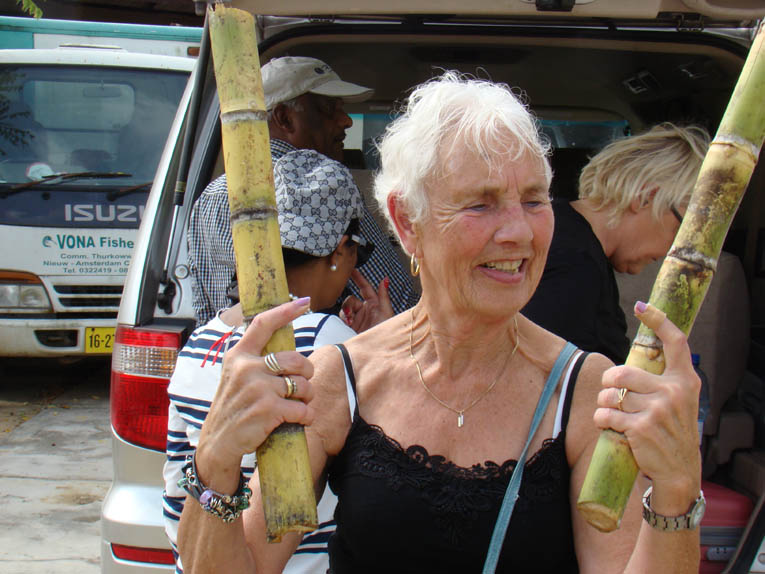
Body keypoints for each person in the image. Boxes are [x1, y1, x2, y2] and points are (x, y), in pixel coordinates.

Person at [176, 73, 704, 573]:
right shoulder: (339, 380)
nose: (519, 232)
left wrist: (678, 486)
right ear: (408, 221)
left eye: (534, 200)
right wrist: (216, 457)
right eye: (482, 204)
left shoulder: (586, 390)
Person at [163, 149, 392, 574]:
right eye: (357, 251)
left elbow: (176, 494)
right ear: (340, 250)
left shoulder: (200, 342)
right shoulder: (330, 342)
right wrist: (381, 342)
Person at [188, 56, 418, 326]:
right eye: (329, 109)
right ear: (285, 118)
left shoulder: (209, 197)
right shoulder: (327, 189)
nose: (346, 121)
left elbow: (204, 312)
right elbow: (393, 304)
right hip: (319, 352)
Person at [523, 123, 710, 364]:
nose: (675, 249)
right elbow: (546, 376)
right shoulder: (574, 266)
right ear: (645, 197)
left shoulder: (562, 230)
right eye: (681, 229)